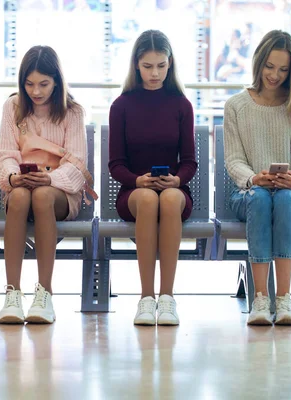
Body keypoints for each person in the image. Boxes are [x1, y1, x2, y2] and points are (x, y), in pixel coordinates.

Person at [224, 29, 291, 326]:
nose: (274, 75)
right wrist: (254, 178)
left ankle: (284, 299)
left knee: (286, 198)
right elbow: (234, 160)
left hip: (289, 196)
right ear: (258, 62)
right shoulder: (237, 106)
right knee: (262, 198)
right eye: (269, 66)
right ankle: (261, 299)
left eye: (283, 69)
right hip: (249, 193)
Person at [0, 45, 95, 324]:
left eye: (43, 84)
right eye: (29, 84)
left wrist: (49, 178)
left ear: (56, 82)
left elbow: (76, 165)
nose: (36, 91)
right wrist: (15, 178)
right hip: (22, 187)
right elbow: (5, 156)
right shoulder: (12, 107)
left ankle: (45, 293)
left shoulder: (72, 112)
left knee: (41, 196)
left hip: (61, 192)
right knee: (18, 197)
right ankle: (12, 293)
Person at [109, 30, 197, 326]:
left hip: (173, 189)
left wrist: (176, 180)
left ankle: (167, 298)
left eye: (161, 65)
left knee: (171, 198)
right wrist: (138, 181)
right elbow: (116, 165)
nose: (155, 73)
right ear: (136, 65)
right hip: (134, 192)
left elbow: (189, 163)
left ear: (170, 64)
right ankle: (146, 298)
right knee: (148, 198)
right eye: (148, 66)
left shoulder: (181, 105)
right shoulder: (121, 106)